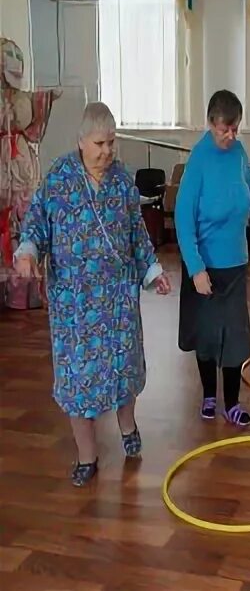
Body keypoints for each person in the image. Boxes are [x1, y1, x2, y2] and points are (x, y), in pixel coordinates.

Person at [12, 102, 171, 486]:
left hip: (118, 301)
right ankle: (87, 457)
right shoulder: (59, 178)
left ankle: (128, 425)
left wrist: (153, 272)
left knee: (124, 369)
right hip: (74, 306)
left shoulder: (121, 181)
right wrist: (29, 252)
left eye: (112, 143)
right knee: (76, 381)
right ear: (81, 141)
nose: (107, 151)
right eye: (100, 143)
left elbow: (137, 234)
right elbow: (35, 224)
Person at [176, 90, 250, 427]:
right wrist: (196, 269)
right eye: (224, 130)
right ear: (211, 123)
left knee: (234, 337)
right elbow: (183, 219)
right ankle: (208, 395)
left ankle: (231, 403)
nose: (230, 136)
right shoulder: (200, 159)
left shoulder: (238, 152)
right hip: (206, 267)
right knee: (207, 337)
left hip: (235, 263)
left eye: (235, 129)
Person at [1, 37, 60, 310]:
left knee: (26, 219)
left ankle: (24, 292)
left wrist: (49, 97)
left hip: (21, 160)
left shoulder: (23, 98)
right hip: (5, 161)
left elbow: (35, 112)